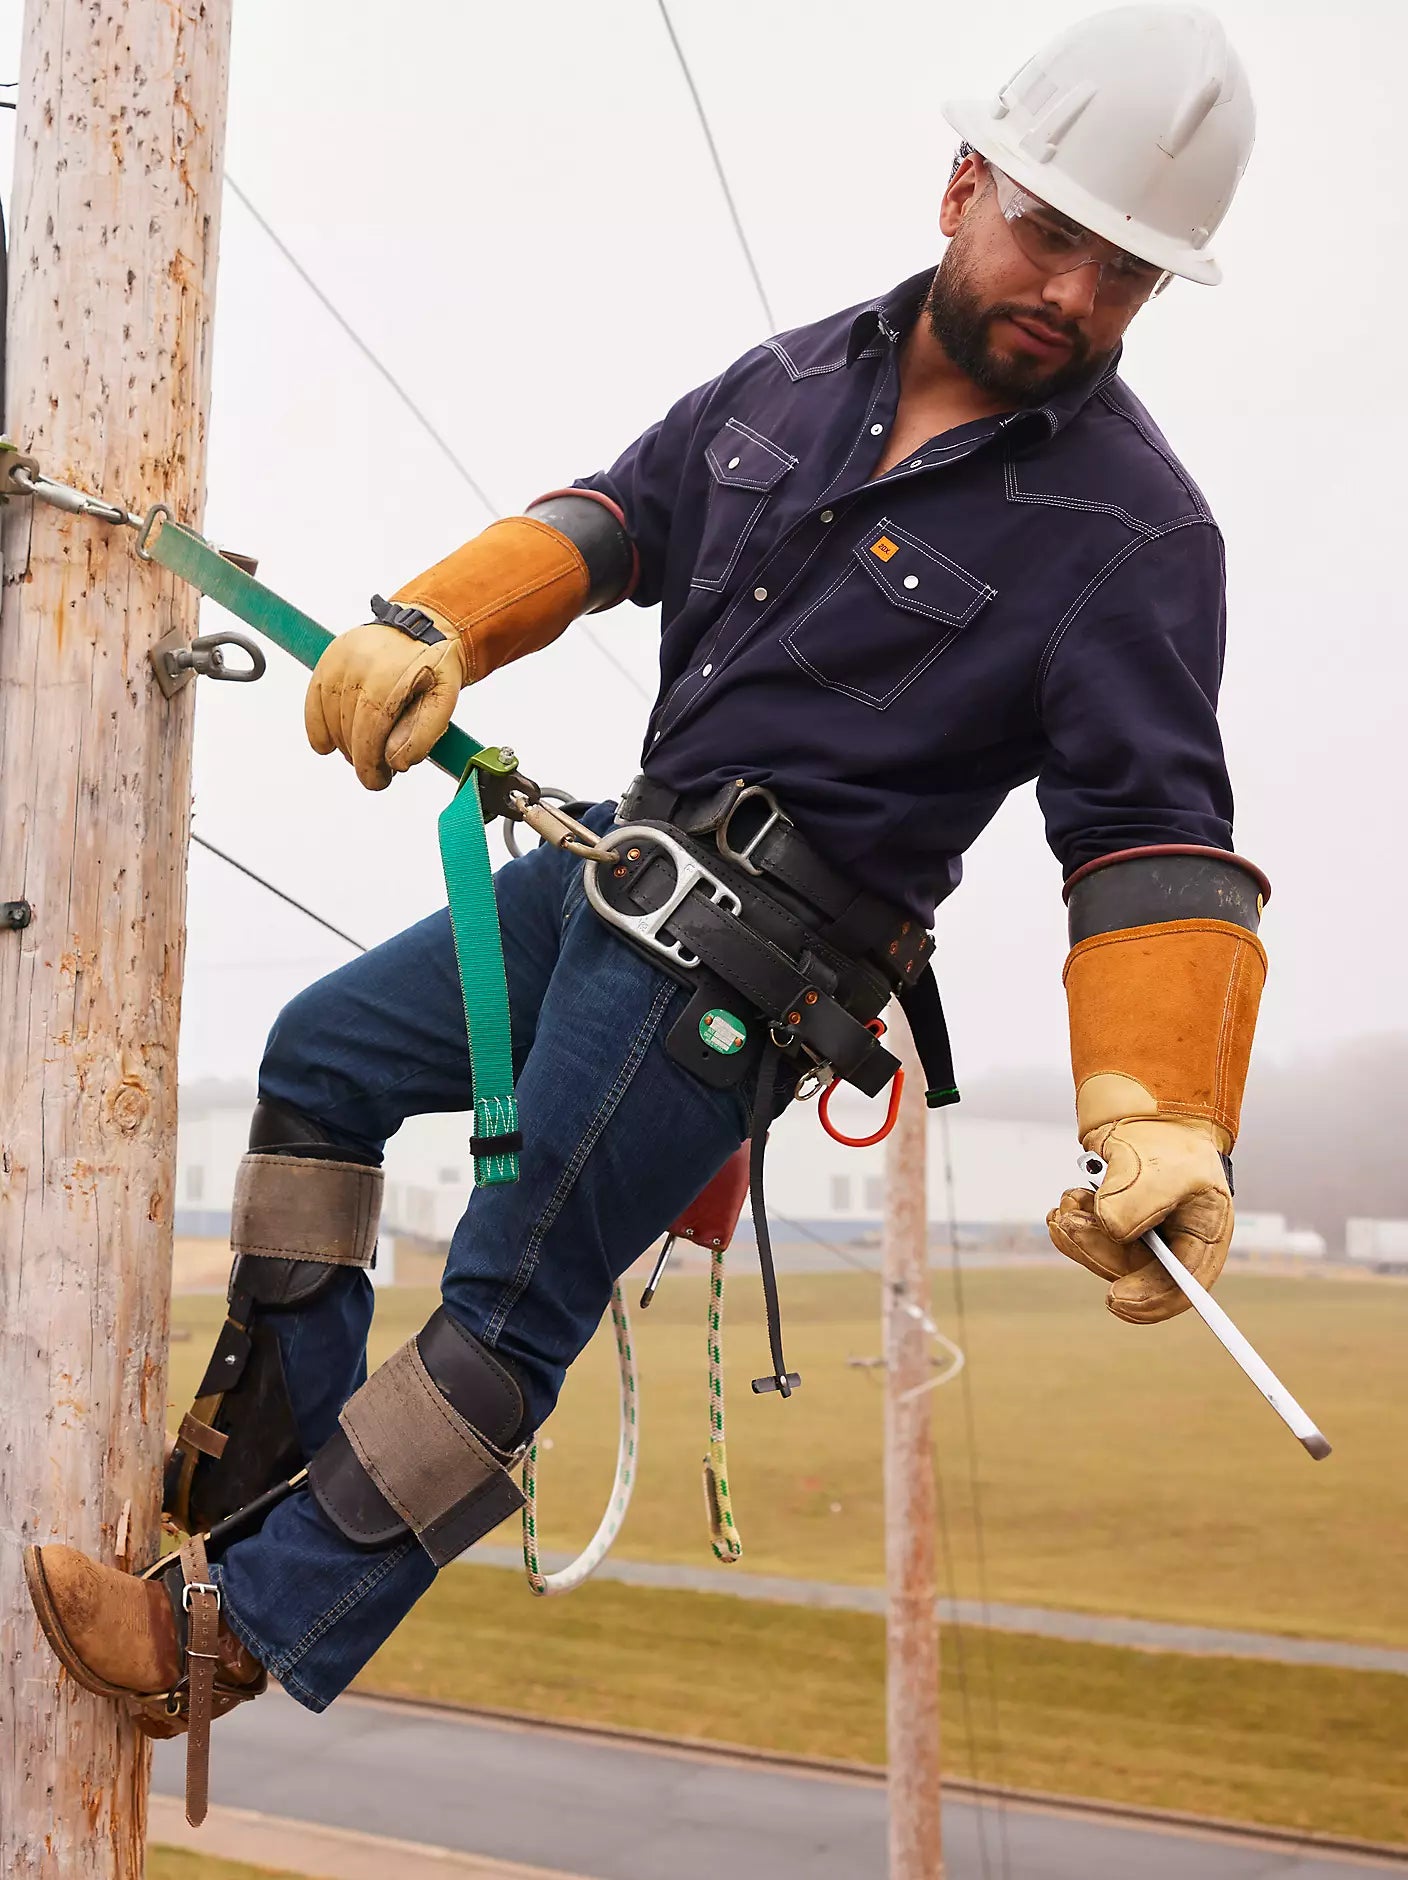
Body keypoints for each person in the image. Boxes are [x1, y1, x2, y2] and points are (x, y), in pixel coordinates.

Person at [25, 0, 1269, 1817]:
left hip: (752, 970)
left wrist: (1160, 1115)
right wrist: (438, 616)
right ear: (963, 185)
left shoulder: (1132, 531)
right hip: (620, 863)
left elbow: (1152, 827)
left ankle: (224, 1638)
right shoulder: (793, 379)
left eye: (1128, 271)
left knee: (508, 1305)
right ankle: (264, 1461)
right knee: (321, 1060)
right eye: (1054, 232)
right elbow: (618, 516)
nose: (1075, 293)